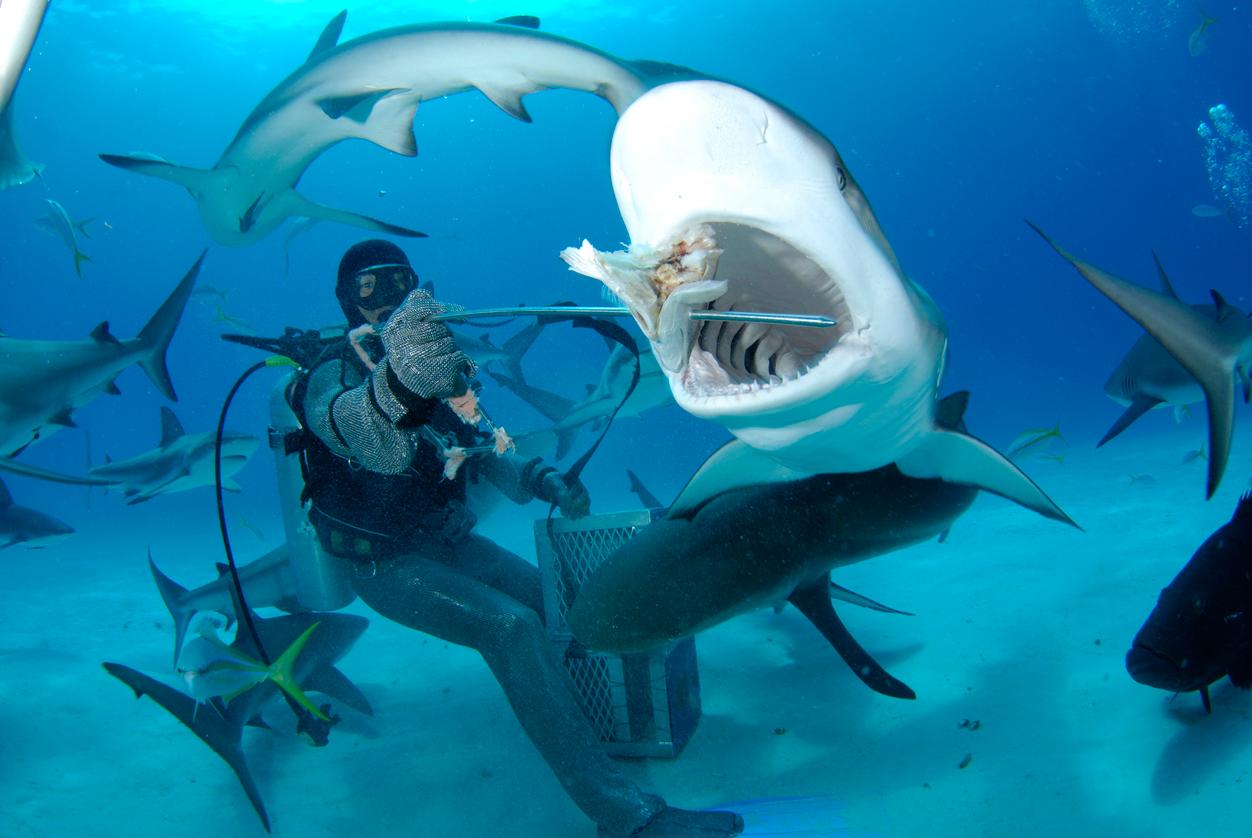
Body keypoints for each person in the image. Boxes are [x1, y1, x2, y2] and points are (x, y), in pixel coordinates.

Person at [296, 239, 744, 838]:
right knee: (511, 629)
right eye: (370, 289)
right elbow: (349, 427)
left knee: (564, 607)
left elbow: (477, 442)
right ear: (348, 301)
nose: (389, 301)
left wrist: (542, 477)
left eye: (401, 283)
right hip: (385, 564)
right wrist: (398, 385)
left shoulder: (431, 367)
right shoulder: (328, 373)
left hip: (445, 540)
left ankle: (584, 730)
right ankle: (626, 817)